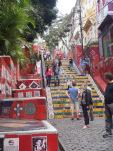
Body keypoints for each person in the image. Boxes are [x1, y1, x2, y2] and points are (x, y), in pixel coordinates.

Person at [103, 72, 113, 138]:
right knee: (107, 118)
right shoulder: (108, 84)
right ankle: (108, 131)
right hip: (106, 104)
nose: (104, 79)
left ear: (108, 78)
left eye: (105, 78)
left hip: (112, 104)